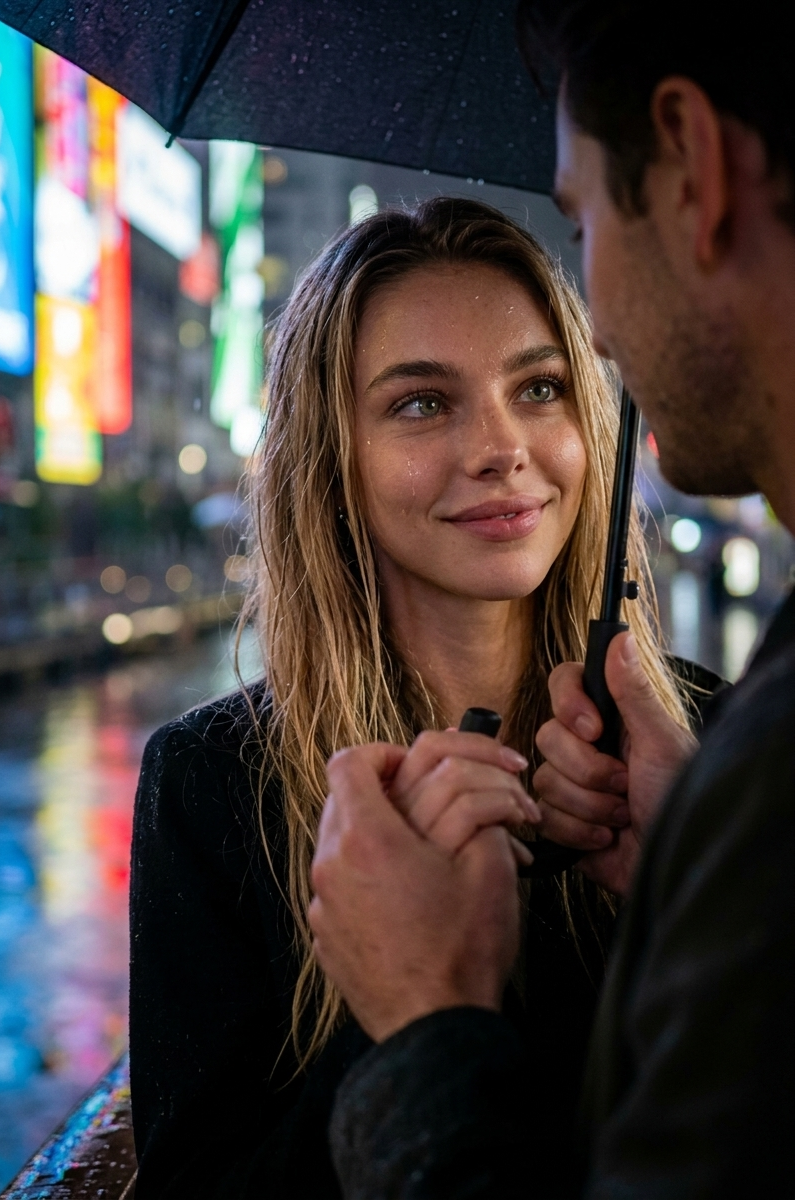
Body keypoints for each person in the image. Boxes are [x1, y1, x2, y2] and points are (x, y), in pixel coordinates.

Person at [128, 197, 720, 1197]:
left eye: (537, 387)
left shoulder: (709, 749)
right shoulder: (210, 785)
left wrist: (697, 892)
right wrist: (398, 1001)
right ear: (332, 461)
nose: (500, 447)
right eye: (420, 403)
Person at [312, 3, 795, 1197]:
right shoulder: (715, 782)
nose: (501, 449)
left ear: (688, 167)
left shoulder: (746, 757)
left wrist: (427, 1032)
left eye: (579, 220)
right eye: (420, 403)